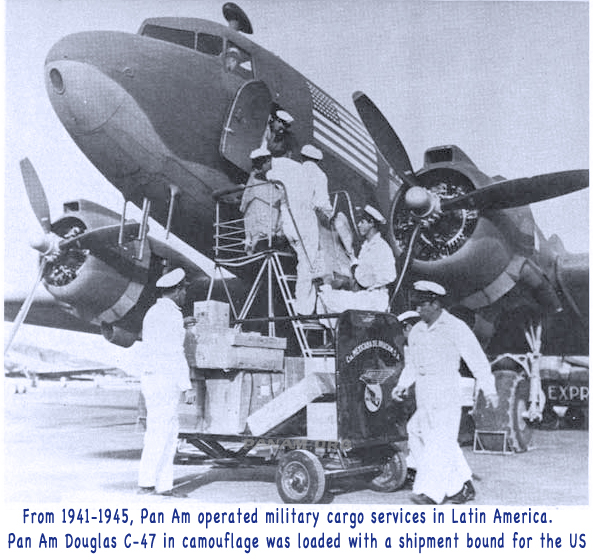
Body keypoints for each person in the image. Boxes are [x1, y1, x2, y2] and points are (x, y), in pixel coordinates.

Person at [392, 281, 499, 505]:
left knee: (438, 441)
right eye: (417, 306)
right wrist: (402, 385)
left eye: (423, 306)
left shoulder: (455, 327)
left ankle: (431, 493)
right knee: (417, 432)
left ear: (436, 304)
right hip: (423, 392)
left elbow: (477, 360)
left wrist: (489, 390)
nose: (418, 310)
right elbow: (412, 364)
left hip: (446, 391)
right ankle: (460, 486)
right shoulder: (418, 331)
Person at [137, 268, 197, 498]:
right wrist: (187, 386)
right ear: (177, 291)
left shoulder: (155, 312)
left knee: (167, 433)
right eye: (183, 291)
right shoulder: (171, 315)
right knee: (162, 433)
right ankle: (147, 485)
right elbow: (174, 352)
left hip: (154, 378)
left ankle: (162, 486)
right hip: (165, 380)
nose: (185, 296)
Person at [318, 205, 396, 313]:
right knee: (327, 296)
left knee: (330, 298)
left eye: (362, 222)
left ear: (371, 223)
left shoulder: (381, 247)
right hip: (366, 295)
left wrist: (364, 278)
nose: (359, 225)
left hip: (375, 299)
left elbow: (389, 275)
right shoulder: (366, 246)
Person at [239, 147, 281, 254]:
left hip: (268, 212)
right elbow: (248, 192)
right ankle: (252, 243)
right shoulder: (255, 176)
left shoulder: (276, 171)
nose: (258, 169)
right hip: (258, 212)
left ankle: (255, 242)